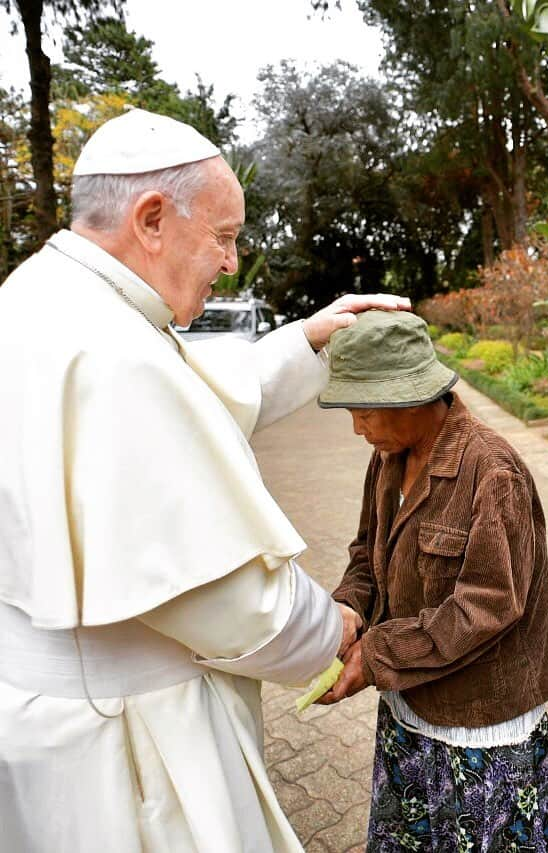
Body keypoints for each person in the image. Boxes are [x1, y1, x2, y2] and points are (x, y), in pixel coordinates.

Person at [0, 108, 409, 852]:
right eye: (223, 236)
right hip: (125, 743)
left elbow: (191, 394)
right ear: (151, 219)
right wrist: (331, 627)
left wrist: (306, 338)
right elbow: (226, 600)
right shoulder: (110, 349)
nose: (230, 262)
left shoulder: (41, 300)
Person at [316, 310, 548, 851]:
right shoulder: (388, 458)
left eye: (365, 412)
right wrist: (348, 611)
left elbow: (487, 606)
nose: (356, 428)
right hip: (410, 704)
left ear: (410, 397)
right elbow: (366, 554)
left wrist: (378, 655)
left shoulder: (493, 472)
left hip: (477, 723)